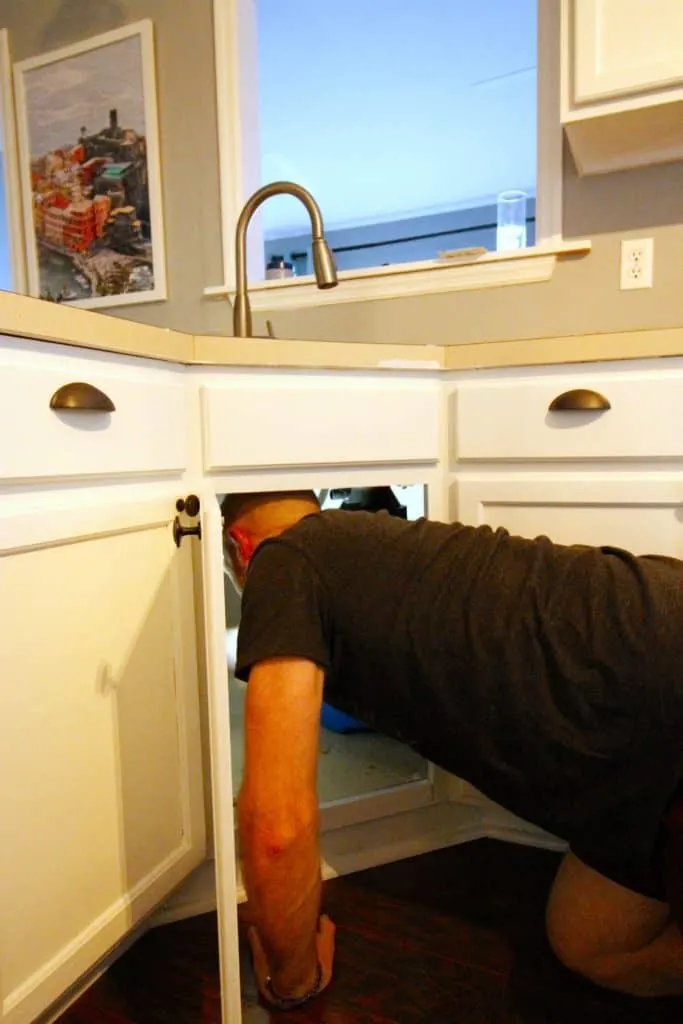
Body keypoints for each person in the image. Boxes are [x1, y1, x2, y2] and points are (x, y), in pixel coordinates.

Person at [221, 488, 683, 1010]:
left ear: (237, 547)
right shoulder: (374, 546)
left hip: (665, 694)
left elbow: (277, 830)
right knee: (587, 941)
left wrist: (293, 978)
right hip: (638, 730)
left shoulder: (279, 559)